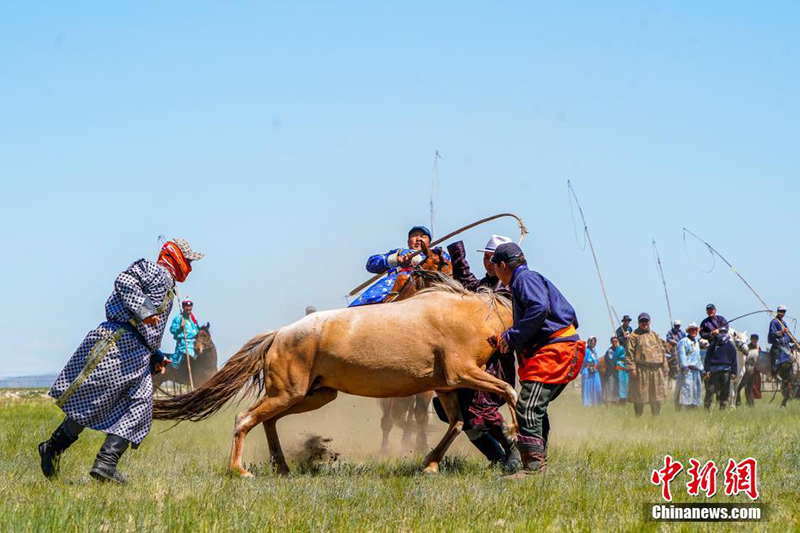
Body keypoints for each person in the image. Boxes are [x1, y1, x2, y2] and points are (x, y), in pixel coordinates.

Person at [41, 238, 203, 483]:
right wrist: (145, 310)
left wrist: (156, 355)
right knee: (93, 402)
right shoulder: (151, 269)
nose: (189, 266)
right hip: (116, 345)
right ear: (176, 256)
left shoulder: (170, 286)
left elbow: (148, 329)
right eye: (188, 260)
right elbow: (124, 281)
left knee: (141, 407)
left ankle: (106, 463)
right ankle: (52, 448)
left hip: (138, 353)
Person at [491, 243, 584, 475]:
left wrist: (512, 337)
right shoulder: (528, 278)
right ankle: (537, 463)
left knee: (528, 407)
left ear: (503, 265)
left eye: (495, 266)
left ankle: (533, 468)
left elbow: (539, 308)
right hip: (556, 348)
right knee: (535, 407)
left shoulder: (524, 279)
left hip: (555, 351)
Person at [436, 235, 515, 466]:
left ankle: (513, 451)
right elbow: (468, 283)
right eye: (486, 257)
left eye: (493, 259)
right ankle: (496, 456)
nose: (488, 263)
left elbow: (479, 295)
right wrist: (456, 251)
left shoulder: (506, 289)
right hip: (474, 360)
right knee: (456, 409)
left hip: (496, 362)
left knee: (482, 406)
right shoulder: (485, 283)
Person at [349, 225, 450, 307]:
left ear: (429, 242)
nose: (418, 239)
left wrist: (420, 259)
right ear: (408, 241)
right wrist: (396, 260)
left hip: (426, 284)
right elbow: (371, 263)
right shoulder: (398, 252)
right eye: (414, 236)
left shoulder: (436, 253)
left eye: (423, 236)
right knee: (365, 301)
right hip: (393, 284)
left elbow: (446, 265)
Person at [627, 312, 668, 417]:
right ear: (638, 322)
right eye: (642, 321)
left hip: (656, 369)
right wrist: (632, 368)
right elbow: (629, 353)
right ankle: (638, 417)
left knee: (657, 396)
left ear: (649, 322)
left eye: (646, 321)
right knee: (639, 396)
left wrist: (665, 367)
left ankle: (655, 418)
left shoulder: (655, 335)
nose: (644, 323)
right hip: (641, 369)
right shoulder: (633, 336)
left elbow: (662, 351)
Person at [702, 318, 738, 411]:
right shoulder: (713, 344)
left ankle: (722, 410)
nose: (722, 334)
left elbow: (734, 360)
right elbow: (708, 358)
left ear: (726, 333)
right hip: (714, 371)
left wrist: (734, 372)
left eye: (724, 332)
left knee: (725, 391)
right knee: (711, 390)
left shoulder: (730, 345)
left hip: (726, 371)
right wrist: (707, 370)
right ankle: (706, 409)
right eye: (720, 332)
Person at [768, 305, 793, 408]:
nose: (782, 313)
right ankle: (775, 371)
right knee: (782, 354)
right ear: (778, 311)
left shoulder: (784, 323)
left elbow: (789, 336)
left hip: (785, 345)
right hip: (777, 345)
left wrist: (794, 339)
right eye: (781, 311)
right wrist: (782, 332)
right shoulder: (774, 322)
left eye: (784, 311)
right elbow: (772, 334)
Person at [676, 323, 703, 410]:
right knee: (685, 389)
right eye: (692, 329)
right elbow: (681, 355)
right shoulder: (683, 341)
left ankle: (693, 407)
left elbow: (698, 357)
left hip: (696, 370)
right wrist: (684, 366)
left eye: (695, 330)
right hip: (687, 370)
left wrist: (702, 369)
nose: (694, 331)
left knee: (695, 389)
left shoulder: (697, 343)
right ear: (688, 331)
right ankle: (681, 408)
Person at [169, 299, 200, 370]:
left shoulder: (193, 319)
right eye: (186, 306)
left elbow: (197, 330)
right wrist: (180, 327)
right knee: (188, 356)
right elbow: (172, 330)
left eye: (190, 306)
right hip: (184, 344)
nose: (188, 308)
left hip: (194, 344)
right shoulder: (178, 318)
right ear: (183, 307)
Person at [736, 334, 761, 407]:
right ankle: (738, 401)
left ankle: (750, 403)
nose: (754, 340)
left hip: (755, 370)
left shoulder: (758, 348)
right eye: (753, 339)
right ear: (751, 339)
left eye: (756, 339)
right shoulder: (747, 347)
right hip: (746, 369)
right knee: (741, 386)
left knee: (750, 387)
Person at [581, 336, 603, 406]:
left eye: (594, 341)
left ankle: (596, 403)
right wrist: (582, 370)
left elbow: (596, 361)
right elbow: (583, 361)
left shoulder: (594, 351)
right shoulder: (586, 351)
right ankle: (587, 404)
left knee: (597, 386)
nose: (593, 343)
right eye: (592, 341)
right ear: (589, 342)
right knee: (588, 387)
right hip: (587, 371)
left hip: (595, 372)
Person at [602, 337, 621, 404]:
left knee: (617, 386)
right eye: (613, 341)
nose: (614, 342)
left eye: (616, 341)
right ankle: (609, 401)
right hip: (611, 372)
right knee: (610, 386)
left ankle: (616, 400)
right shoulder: (610, 351)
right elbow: (611, 361)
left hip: (618, 372)